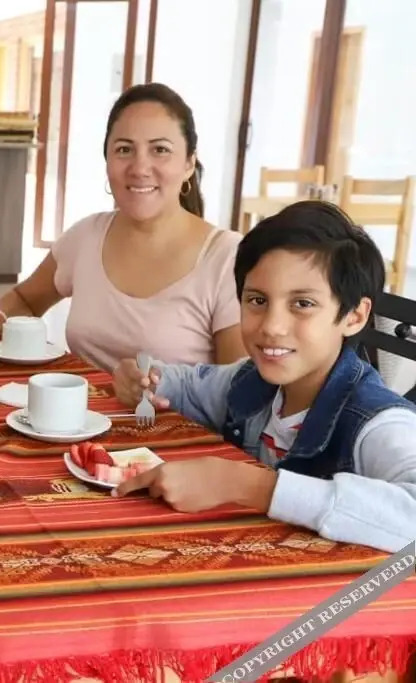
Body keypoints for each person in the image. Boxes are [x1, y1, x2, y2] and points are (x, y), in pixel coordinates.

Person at [111, 201, 416, 554]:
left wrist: (246, 485)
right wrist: (146, 380)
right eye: (257, 300)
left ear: (354, 316)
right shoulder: (252, 382)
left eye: (303, 304)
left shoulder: (379, 423)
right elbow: (187, 385)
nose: (271, 326)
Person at [0, 83, 246, 372]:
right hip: (78, 402)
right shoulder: (85, 236)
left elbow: (238, 389)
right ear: (107, 161)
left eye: (160, 150)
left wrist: (162, 389)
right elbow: (25, 300)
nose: (139, 168)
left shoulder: (229, 258)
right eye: (124, 149)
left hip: (167, 405)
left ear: (189, 163)